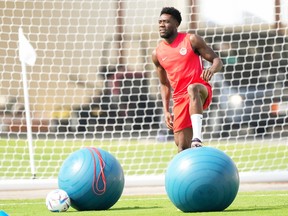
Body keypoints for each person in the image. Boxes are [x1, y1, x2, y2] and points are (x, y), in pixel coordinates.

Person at [152, 7, 223, 152]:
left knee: (193, 88)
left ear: (176, 24)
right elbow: (164, 84)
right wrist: (166, 111)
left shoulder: (191, 40)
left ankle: (197, 138)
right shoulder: (157, 53)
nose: (161, 25)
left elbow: (217, 60)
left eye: (166, 22)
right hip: (179, 100)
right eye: (160, 22)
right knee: (182, 146)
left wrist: (211, 70)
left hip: (200, 90)